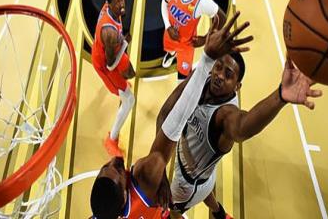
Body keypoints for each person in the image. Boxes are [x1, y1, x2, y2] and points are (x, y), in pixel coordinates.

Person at [90, 12, 253, 219]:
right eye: (118, 171)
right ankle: (216, 212)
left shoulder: (104, 213)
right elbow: (171, 126)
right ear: (123, 196)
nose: (115, 161)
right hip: (188, 184)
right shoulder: (146, 175)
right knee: (177, 209)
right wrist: (205, 61)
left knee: (204, 186)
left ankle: (218, 211)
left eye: (106, 166)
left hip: (200, 175)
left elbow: (165, 117)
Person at [157, 51, 321, 218]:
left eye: (228, 75)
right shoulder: (200, 79)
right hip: (204, 176)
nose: (220, 75)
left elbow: (242, 127)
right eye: (218, 67)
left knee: (172, 212)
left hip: (187, 185)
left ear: (237, 86)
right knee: (206, 188)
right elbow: (164, 114)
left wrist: (280, 96)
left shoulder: (225, 115)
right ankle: (219, 213)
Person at [161, 0, 226, 81]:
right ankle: (172, 54)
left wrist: (206, 39)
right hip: (170, 32)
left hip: (187, 43)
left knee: (183, 76)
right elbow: (164, 4)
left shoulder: (202, 2)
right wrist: (168, 26)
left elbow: (221, 18)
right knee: (169, 49)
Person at [92, 0, 136, 157]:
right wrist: (124, 43)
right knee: (129, 100)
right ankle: (111, 139)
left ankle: (121, 86)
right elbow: (110, 65)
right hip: (105, 64)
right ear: (109, 4)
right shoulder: (109, 33)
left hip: (107, 50)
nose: (121, 3)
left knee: (129, 75)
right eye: (117, 1)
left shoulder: (109, 9)